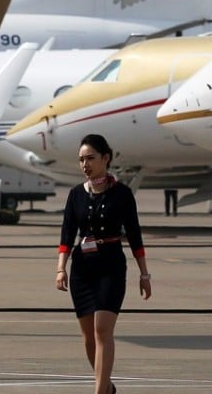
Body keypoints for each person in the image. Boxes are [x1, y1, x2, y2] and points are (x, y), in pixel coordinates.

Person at [55, 134, 150, 394]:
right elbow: (66, 234)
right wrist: (61, 268)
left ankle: (99, 391)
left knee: (102, 330)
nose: (85, 165)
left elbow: (135, 234)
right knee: (88, 337)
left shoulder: (122, 194)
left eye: (90, 158)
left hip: (111, 266)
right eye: (81, 160)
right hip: (82, 269)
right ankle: (106, 386)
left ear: (105, 159)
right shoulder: (76, 195)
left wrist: (144, 274)